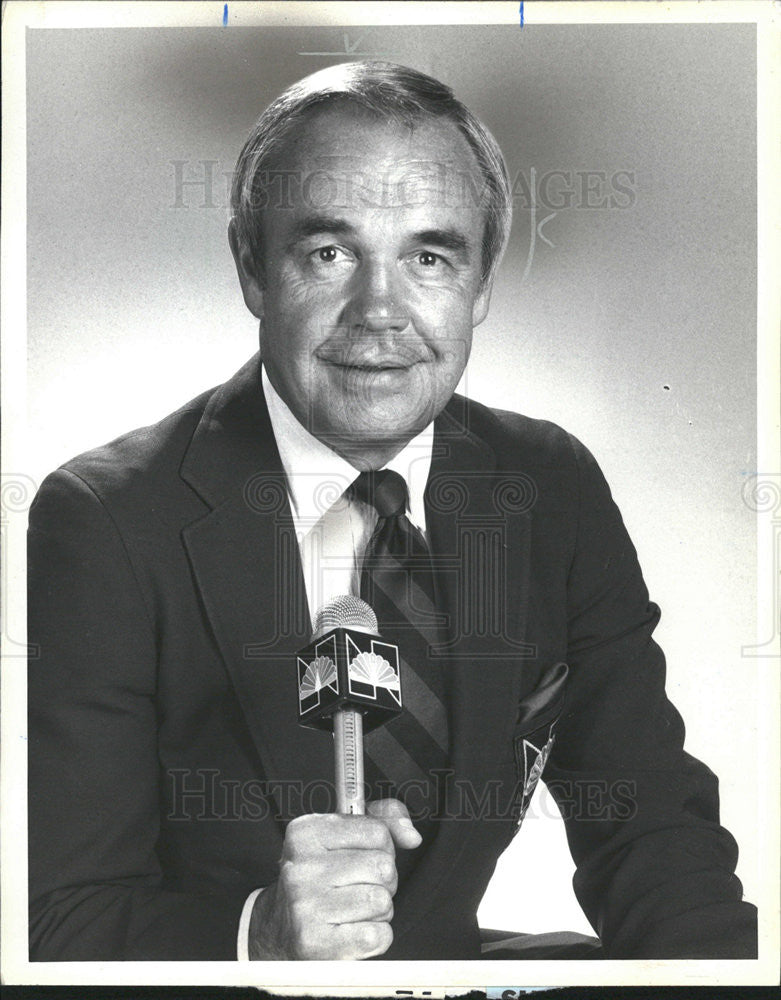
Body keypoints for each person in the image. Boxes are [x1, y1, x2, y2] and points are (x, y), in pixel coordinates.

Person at [27, 60, 757, 962]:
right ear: (253, 267)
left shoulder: (548, 484)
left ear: (481, 283)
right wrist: (259, 934)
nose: (379, 312)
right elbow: (51, 923)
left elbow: (653, 839)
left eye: (428, 257)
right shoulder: (104, 522)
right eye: (328, 253)